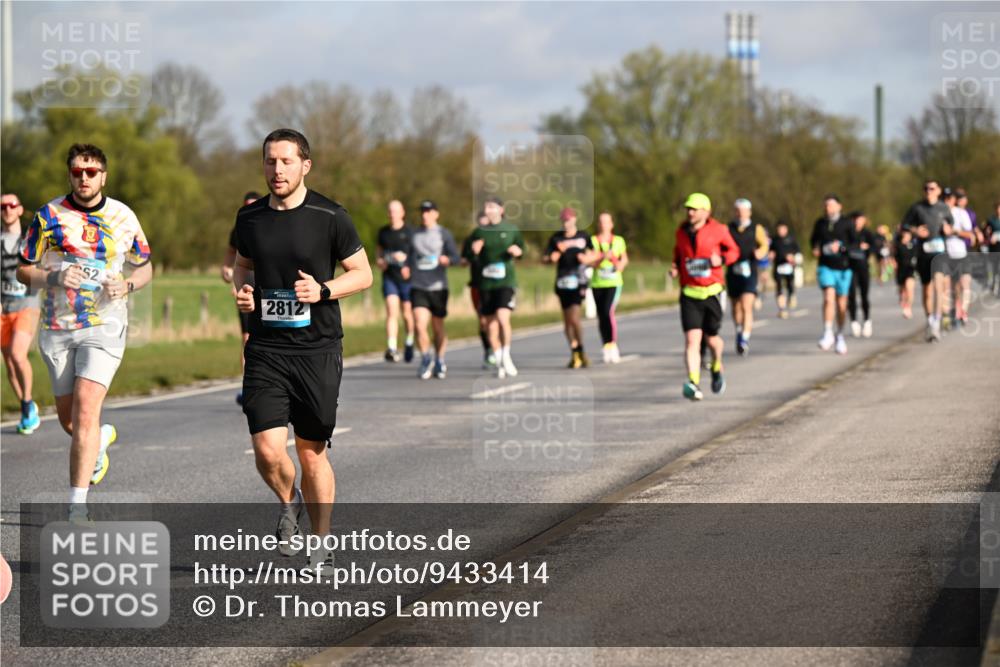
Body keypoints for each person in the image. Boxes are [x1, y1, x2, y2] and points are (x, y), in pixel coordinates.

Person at [234, 129, 372, 574]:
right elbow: (241, 267)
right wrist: (244, 294)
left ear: (305, 165)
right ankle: (287, 500)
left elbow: (363, 274)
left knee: (311, 451)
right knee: (268, 450)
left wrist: (324, 289)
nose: (277, 170)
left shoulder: (330, 215)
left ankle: (321, 541)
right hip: (267, 349)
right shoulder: (250, 217)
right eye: (270, 162)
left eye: (286, 162)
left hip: (316, 350)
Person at [16, 144, 153, 520]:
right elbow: (23, 269)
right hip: (58, 326)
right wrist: (54, 275)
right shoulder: (48, 215)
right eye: (78, 171)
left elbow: (145, 267)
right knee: (70, 421)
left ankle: (77, 507)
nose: (84, 178)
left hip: (105, 325)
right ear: (70, 175)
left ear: (103, 176)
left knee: (87, 408)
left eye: (92, 171)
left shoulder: (123, 216)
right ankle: (100, 440)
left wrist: (127, 286)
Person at [671, 193, 739, 401]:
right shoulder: (681, 232)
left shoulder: (719, 230)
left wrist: (722, 259)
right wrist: (675, 267)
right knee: (692, 340)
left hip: (713, 292)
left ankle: (717, 365)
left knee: (712, 340)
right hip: (689, 293)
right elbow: (678, 255)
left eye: (694, 209)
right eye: (688, 209)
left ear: (706, 211)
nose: (690, 212)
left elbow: (734, 251)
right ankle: (693, 382)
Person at [463, 196, 524, 379]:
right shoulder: (478, 233)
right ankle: (498, 360)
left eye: (492, 207)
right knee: (490, 326)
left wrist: (518, 251)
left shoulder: (511, 230)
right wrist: (474, 252)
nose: (488, 210)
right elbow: (467, 257)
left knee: (503, 318)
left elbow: (522, 249)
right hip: (486, 284)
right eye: (486, 207)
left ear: (501, 209)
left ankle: (506, 355)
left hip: (505, 283)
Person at [1, 193, 41, 434]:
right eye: (2, 206)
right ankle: (27, 407)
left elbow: (38, 272)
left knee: (18, 355)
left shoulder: (29, 239)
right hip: (3, 307)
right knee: (9, 364)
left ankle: (27, 406)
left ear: (19, 209)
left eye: (11, 205)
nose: (7, 209)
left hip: (27, 303)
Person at [408, 200, 460, 379]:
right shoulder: (414, 234)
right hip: (418, 286)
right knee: (419, 324)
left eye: (429, 211)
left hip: (438, 287)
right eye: (423, 211)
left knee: (438, 328)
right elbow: (408, 256)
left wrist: (448, 260)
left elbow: (456, 257)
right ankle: (425, 358)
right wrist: (405, 265)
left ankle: (440, 359)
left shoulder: (443, 234)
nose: (425, 215)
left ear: (436, 214)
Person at [900, 180, 954, 342]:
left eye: (932, 188)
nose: (928, 191)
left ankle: (936, 323)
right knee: (927, 289)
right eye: (926, 189)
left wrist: (947, 230)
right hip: (924, 253)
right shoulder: (917, 208)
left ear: (938, 191)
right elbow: (904, 226)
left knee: (938, 286)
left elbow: (950, 226)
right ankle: (930, 319)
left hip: (939, 252)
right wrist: (916, 230)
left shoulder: (944, 208)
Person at [222, 191, 261, 406]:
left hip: (269, 289)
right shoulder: (238, 230)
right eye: (247, 205)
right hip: (245, 288)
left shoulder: (270, 223)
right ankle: (249, 387)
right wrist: (227, 271)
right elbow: (230, 255)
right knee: (247, 338)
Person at [545, 207, 596, 369]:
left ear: (574, 219)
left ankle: (580, 347)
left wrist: (586, 258)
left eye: (569, 220)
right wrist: (554, 256)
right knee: (567, 322)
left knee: (575, 317)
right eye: (564, 220)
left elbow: (596, 254)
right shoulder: (556, 238)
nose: (567, 223)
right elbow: (546, 258)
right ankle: (575, 351)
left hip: (579, 280)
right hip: (562, 281)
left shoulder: (583, 236)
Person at [810, 194, 856, 354]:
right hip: (825, 266)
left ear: (839, 206)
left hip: (844, 267)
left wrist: (842, 248)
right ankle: (828, 332)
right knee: (828, 298)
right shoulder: (820, 223)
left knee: (841, 303)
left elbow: (855, 244)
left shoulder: (847, 223)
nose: (827, 208)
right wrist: (816, 249)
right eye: (825, 205)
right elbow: (813, 241)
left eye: (830, 205)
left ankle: (840, 335)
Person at [725, 198, 769, 356]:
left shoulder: (756, 228)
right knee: (736, 307)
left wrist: (760, 252)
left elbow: (764, 244)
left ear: (749, 212)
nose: (741, 214)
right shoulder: (728, 228)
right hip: (733, 271)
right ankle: (738, 330)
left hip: (749, 270)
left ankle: (744, 338)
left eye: (744, 211)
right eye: (738, 211)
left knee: (746, 305)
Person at [376, 200, 415, 363]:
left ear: (402, 212)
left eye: (396, 211)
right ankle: (391, 348)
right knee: (392, 311)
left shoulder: (409, 232)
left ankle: (409, 341)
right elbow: (378, 252)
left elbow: (416, 254)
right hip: (390, 277)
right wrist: (380, 261)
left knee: (407, 313)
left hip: (406, 279)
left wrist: (407, 265)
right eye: (390, 211)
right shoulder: (383, 232)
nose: (392, 214)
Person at [589, 211, 629, 363]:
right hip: (598, 282)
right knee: (601, 315)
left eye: (606, 221)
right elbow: (588, 261)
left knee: (608, 311)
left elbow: (624, 259)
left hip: (614, 282)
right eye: (601, 222)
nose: (603, 224)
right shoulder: (592, 240)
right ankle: (606, 345)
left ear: (611, 224)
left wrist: (618, 264)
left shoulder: (618, 241)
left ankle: (612, 344)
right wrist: (600, 258)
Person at [461, 211, 493, 368]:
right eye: (481, 223)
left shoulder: (496, 238)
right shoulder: (471, 239)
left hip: (496, 285)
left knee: (496, 319)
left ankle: (499, 350)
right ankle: (489, 350)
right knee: (482, 321)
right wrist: (473, 253)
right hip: (477, 285)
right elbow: (463, 260)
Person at [944, 188, 975, 327]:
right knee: (953, 287)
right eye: (944, 198)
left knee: (965, 284)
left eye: (949, 198)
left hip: (961, 253)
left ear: (953, 199)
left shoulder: (961, 213)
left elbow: (969, 233)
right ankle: (955, 311)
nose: (947, 201)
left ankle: (963, 311)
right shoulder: (939, 213)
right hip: (946, 254)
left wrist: (954, 231)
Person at [847, 211, 876, 338]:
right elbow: (845, 246)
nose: (858, 222)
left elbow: (875, 248)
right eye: (856, 220)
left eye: (860, 220)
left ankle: (867, 321)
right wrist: (857, 246)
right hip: (850, 268)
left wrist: (867, 248)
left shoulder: (868, 233)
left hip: (863, 267)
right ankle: (853, 322)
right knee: (851, 295)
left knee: (864, 295)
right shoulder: (848, 233)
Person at [769, 221, 800, 319]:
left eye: (782, 229)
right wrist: (771, 255)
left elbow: (798, 253)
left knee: (790, 285)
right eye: (779, 229)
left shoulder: (792, 239)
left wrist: (793, 258)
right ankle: (782, 309)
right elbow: (770, 251)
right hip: (778, 267)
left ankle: (791, 296)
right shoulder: (774, 240)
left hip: (789, 267)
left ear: (786, 229)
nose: (781, 231)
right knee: (779, 288)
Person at [894, 226, 918, 319]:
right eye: (904, 233)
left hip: (910, 270)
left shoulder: (914, 244)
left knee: (910, 289)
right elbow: (894, 257)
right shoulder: (898, 245)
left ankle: (908, 307)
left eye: (908, 233)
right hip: (901, 270)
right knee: (902, 290)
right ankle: (903, 300)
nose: (906, 235)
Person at [985, 200, 1000, 296]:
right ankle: (994, 284)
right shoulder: (991, 220)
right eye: (998, 208)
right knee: (995, 267)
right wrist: (989, 236)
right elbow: (987, 232)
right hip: (994, 247)